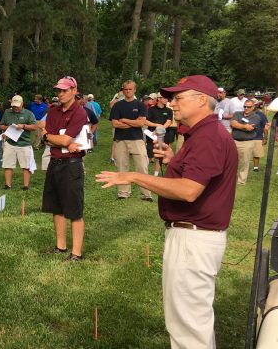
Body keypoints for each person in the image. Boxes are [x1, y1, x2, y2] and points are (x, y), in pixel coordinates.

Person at [95, 75, 237, 349]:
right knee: (189, 322)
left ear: (200, 100)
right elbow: (200, 177)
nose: (172, 104)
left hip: (194, 239)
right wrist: (175, 160)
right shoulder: (204, 134)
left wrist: (135, 177)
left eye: (178, 97)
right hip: (194, 236)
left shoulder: (208, 136)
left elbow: (188, 190)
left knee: (188, 327)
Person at [39, 76, 88, 261]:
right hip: (55, 163)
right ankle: (60, 247)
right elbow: (47, 136)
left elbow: (64, 140)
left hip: (72, 165)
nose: (60, 93)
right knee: (56, 207)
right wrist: (50, 138)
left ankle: (76, 253)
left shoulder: (80, 112)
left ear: (74, 91)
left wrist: (51, 138)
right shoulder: (53, 111)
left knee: (74, 210)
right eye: (58, 90)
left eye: (65, 90)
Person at [110, 80, 153, 201]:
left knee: (142, 166)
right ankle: (123, 193)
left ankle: (146, 194)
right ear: (123, 90)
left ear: (134, 90)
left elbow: (142, 122)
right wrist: (134, 123)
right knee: (121, 167)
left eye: (130, 89)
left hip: (137, 140)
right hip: (120, 140)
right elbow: (115, 124)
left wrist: (124, 120)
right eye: (126, 89)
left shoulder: (140, 105)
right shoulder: (118, 105)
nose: (128, 91)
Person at [0, 95, 38, 190]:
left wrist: (24, 126)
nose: (15, 108)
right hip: (10, 143)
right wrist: (7, 128)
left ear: (22, 104)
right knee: (8, 164)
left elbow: (34, 127)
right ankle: (8, 185)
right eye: (13, 106)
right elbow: (1, 126)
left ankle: (26, 186)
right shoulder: (7, 112)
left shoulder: (28, 113)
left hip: (24, 144)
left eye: (17, 106)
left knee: (26, 166)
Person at [230, 99, 264, 185]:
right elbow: (233, 123)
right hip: (234, 141)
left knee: (244, 162)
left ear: (253, 107)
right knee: (231, 161)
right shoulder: (237, 113)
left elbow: (250, 128)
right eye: (244, 106)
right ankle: (230, 179)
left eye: (248, 107)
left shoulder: (256, 117)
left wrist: (238, 125)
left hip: (247, 142)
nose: (246, 108)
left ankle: (241, 181)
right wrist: (244, 126)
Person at [145, 93, 172, 176]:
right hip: (151, 136)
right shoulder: (151, 110)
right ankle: (144, 172)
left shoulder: (168, 110)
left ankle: (156, 174)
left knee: (159, 155)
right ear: (158, 99)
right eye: (164, 97)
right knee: (149, 156)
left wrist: (160, 129)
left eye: (167, 98)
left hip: (164, 136)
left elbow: (169, 122)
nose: (166, 99)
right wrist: (157, 126)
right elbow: (146, 121)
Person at [251, 106, 269, 172]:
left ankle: (256, 167)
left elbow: (266, 126)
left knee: (256, 153)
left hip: (257, 137)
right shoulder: (245, 113)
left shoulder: (261, 114)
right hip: (246, 136)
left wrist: (265, 138)